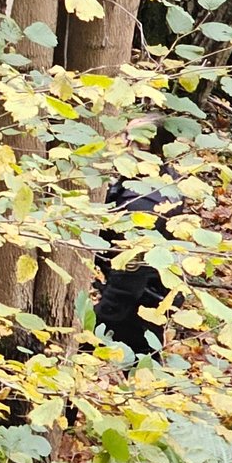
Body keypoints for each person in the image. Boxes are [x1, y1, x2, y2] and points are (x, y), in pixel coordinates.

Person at [93, 118, 183, 359]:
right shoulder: (152, 182)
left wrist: (99, 317)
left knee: (140, 367)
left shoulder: (145, 202)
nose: (126, 146)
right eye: (126, 137)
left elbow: (130, 275)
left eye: (137, 142)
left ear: (153, 151)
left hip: (135, 306)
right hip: (147, 300)